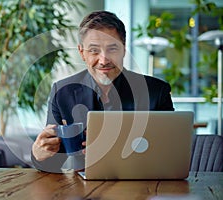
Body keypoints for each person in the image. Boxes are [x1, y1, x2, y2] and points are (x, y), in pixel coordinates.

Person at [31, 10, 174, 173]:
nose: (104, 60)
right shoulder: (62, 92)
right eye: (94, 50)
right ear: (82, 53)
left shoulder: (157, 91)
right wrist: (39, 155)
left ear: (124, 50)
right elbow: (54, 163)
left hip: (141, 186)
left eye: (112, 49)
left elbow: (170, 154)